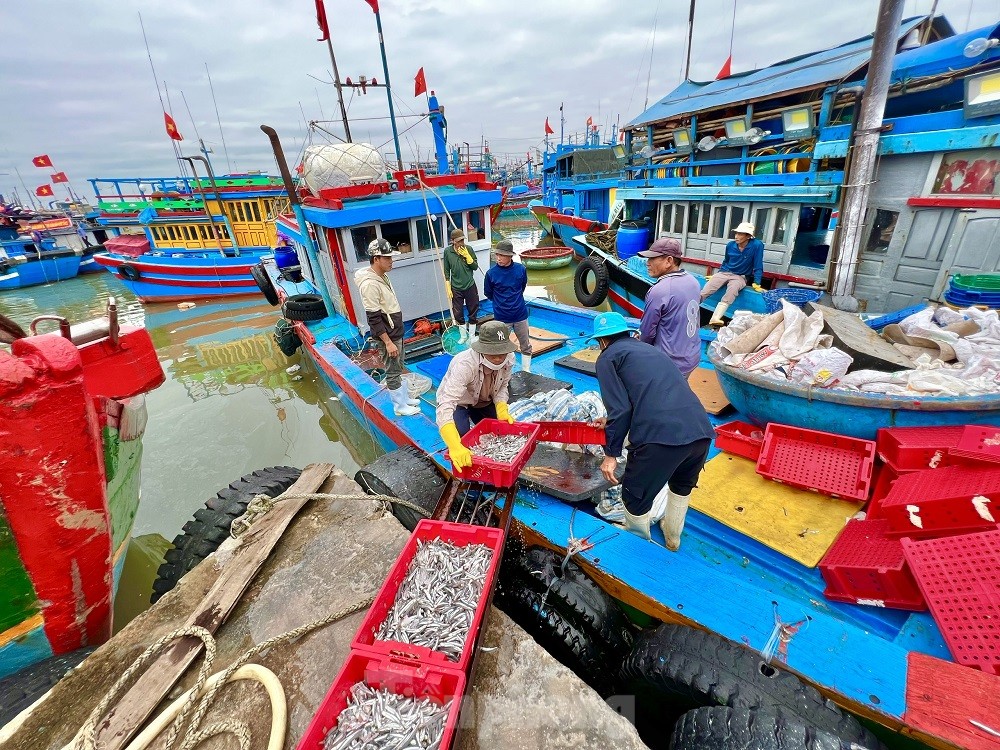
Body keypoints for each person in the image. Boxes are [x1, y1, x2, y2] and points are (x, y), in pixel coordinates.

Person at [591, 312, 714, 550]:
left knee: (634, 496)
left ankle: (638, 542)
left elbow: (621, 408)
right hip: (700, 432)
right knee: (681, 485)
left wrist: (610, 455)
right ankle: (673, 538)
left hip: (661, 439)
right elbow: (650, 395)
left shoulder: (607, 358)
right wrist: (610, 420)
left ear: (602, 341)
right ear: (626, 333)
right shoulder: (650, 351)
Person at [436, 320, 518, 469]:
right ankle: (467, 472)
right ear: (482, 348)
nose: (499, 358)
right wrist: (454, 446)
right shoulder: (465, 364)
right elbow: (446, 403)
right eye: (493, 352)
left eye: (502, 352)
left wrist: (501, 408)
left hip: (484, 399)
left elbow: (502, 387)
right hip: (460, 402)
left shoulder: (510, 358)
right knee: (461, 438)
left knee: (499, 432)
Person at [355, 238, 420, 417]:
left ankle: (404, 398)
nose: (391, 261)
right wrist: (388, 342)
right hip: (388, 336)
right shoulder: (369, 284)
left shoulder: (381, 275)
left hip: (395, 331)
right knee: (392, 370)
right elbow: (373, 318)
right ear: (376, 259)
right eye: (387, 258)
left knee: (399, 366)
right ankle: (400, 407)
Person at [637, 237, 701, 377]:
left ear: (669, 261)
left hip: (670, 363)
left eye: (652, 259)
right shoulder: (693, 282)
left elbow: (647, 333)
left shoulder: (660, 290)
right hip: (692, 356)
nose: (647, 263)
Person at [699, 221, 765, 327]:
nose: (736, 236)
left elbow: (758, 265)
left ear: (748, 236)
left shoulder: (757, 245)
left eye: (740, 234)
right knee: (707, 289)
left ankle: (715, 317)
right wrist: (718, 274)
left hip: (740, 277)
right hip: (725, 272)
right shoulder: (730, 245)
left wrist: (757, 282)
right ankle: (688, 307)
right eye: (736, 233)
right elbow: (726, 261)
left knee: (732, 290)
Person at [483, 239, 533, 372]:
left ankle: (526, 370)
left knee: (525, 345)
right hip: (501, 318)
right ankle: (502, 372)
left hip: (520, 315)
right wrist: (501, 303)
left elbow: (522, 286)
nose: (498, 258)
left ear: (510, 256)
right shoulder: (491, 274)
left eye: (501, 255)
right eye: (497, 255)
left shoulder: (521, 269)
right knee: (500, 346)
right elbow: (488, 293)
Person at [443, 228, 480, 342]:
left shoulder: (469, 249)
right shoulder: (448, 252)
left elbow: (475, 267)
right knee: (458, 313)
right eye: (459, 241)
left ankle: (472, 336)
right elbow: (446, 270)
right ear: (453, 241)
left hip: (469, 285)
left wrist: (468, 258)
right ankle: (464, 336)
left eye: (463, 240)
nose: (461, 243)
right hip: (456, 287)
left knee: (473, 310)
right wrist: (448, 286)